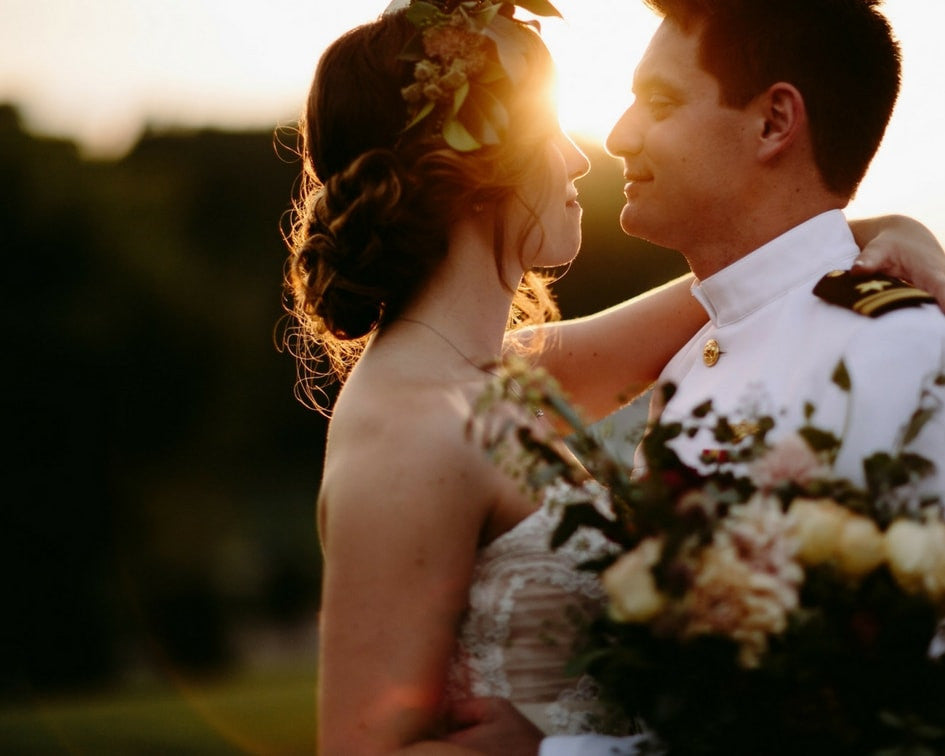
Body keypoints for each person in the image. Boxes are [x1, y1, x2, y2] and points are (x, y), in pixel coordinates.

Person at [283, 0, 945, 753]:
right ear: (470, 164)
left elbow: (757, 277)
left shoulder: (503, 376)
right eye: (548, 129)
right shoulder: (412, 422)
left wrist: (895, 233)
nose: (580, 155)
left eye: (656, 102)